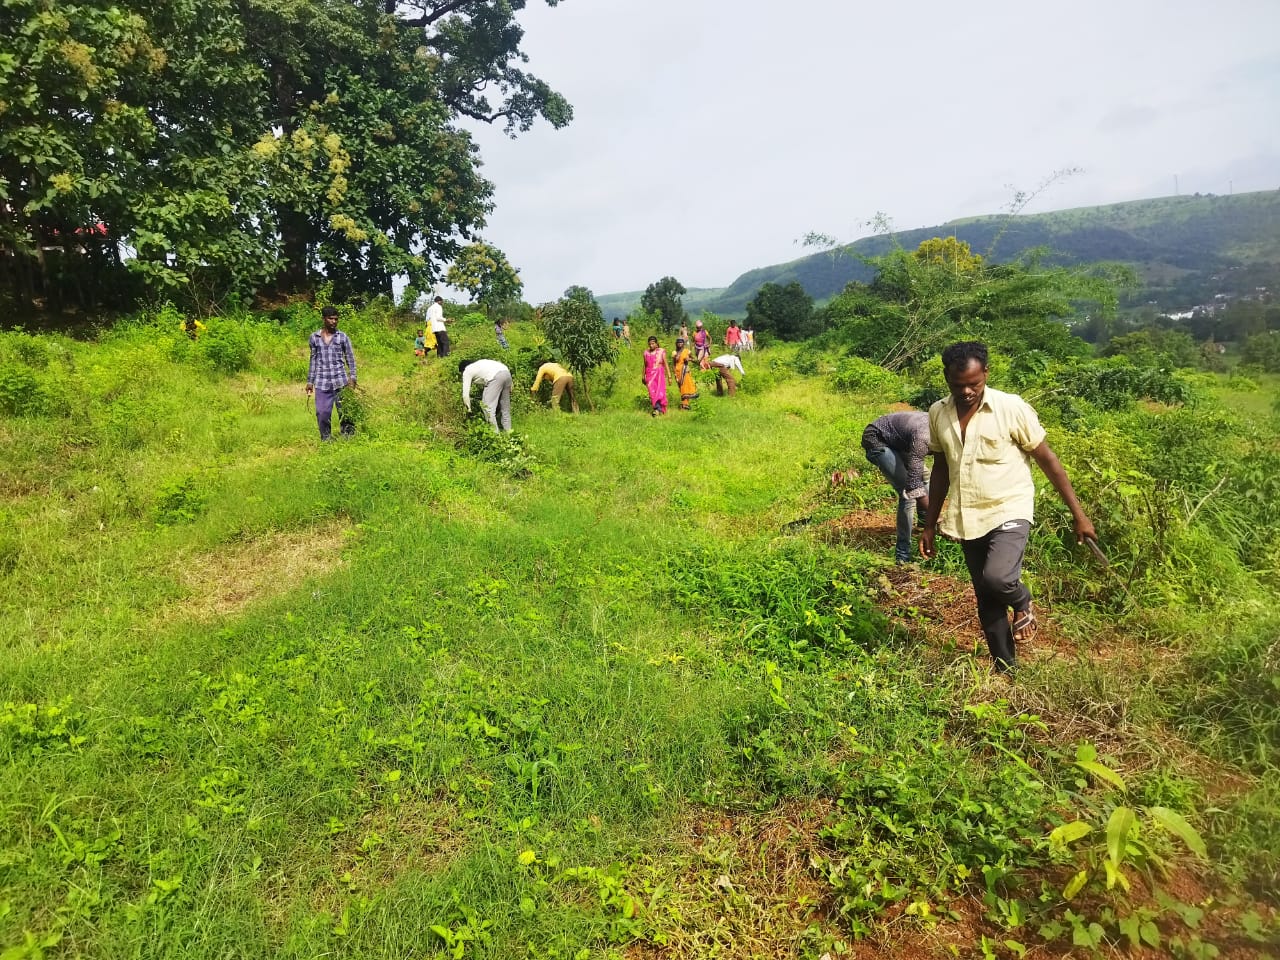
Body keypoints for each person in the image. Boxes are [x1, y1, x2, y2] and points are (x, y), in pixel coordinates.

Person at [920, 341, 1096, 674]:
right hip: (968, 513)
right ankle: (1006, 669)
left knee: (998, 578)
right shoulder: (937, 412)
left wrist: (1079, 515)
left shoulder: (1010, 407)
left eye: (974, 383)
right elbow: (941, 469)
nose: (967, 391)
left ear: (986, 373)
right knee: (986, 597)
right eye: (958, 385)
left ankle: (1022, 600)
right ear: (946, 378)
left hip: (1009, 507)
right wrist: (929, 524)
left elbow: (1047, 459)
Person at [839, 411, 930, 565]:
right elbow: (913, 482)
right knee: (907, 493)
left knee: (925, 476)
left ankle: (923, 523)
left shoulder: (941, 427)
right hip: (876, 437)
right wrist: (935, 517)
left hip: (898, 439)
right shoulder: (924, 436)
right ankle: (903, 555)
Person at [306, 306, 358, 441]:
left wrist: (352, 377)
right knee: (322, 413)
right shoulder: (315, 338)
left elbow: (350, 358)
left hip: (341, 381)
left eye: (336, 319)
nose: (334, 322)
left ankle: (349, 438)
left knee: (346, 412)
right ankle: (326, 440)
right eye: (330, 319)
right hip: (322, 382)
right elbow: (313, 360)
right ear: (323, 319)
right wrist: (310, 382)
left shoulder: (342, 337)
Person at [459, 358, 513, 432]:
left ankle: (495, 435)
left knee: (487, 408)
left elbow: (465, 394)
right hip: (506, 373)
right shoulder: (479, 364)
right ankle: (509, 433)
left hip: (495, 377)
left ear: (462, 370)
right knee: (505, 408)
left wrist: (469, 409)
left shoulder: (467, 370)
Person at [642, 336, 671, 415]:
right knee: (652, 392)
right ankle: (658, 409)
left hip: (659, 375)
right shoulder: (646, 353)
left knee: (659, 391)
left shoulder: (661, 351)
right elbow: (645, 365)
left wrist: (669, 376)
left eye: (653, 343)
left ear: (656, 344)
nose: (651, 345)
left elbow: (666, 363)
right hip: (649, 376)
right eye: (650, 344)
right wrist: (643, 376)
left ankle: (657, 409)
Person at [673, 337, 699, 410]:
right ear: (676, 344)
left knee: (685, 387)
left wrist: (689, 359)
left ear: (683, 343)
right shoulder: (674, 352)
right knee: (681, 388)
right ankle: (685, 404)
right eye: (678, 343)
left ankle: (684, 405)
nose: (680, 344)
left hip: (685, 371)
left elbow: (696, 361)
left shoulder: (687, 351)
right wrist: (675, 374)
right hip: (678, 372)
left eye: (681, 342)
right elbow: (674, 364)